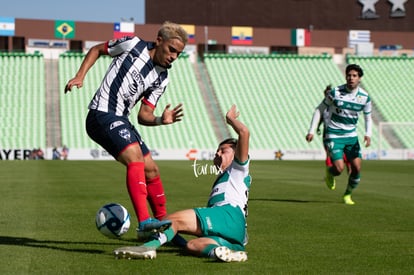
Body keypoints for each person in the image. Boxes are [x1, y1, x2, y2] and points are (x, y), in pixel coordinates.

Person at [64, 22, 188, 234]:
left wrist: (160, 120)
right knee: (135, 158)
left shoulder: (162, 77)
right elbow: (97, 49)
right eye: (171, 50)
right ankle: (144, 223)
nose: (174, 57)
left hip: (123, 119)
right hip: (100, 114)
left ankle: (165, 227)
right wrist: (80, 76)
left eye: (178, 54)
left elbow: (144, 116)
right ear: (159, 41)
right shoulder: (132, 44)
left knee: (152, 169)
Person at [114, 105, 251, 262]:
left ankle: (148, 247)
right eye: (216, 152)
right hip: (236, 232)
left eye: (223, 150)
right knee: (192, 245)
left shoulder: (238, 169)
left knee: (170, 220)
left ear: (236, 154)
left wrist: (231, 119)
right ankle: (225, 253)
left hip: (227, 215)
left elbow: (244, 133)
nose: (217, 154)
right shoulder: (229, 177)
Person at [306, 64, 372, 205]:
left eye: (354, 76)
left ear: (359, 78)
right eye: (349, 75)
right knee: (339, 168)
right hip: (334, 134)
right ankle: (330, 172)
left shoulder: (364, 97)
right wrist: (311, 130)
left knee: (357, 168)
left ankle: (347, 195)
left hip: (351, 137)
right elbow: (319, 109)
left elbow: (368, 117)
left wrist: (368, 133)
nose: (351, 78)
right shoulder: (335, 92)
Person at [316, 85, 351, 175]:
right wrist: (318, 127)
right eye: (326, 93)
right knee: (328, 153)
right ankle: (330, 172)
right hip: (326, 134)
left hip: (337, 133)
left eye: (329, 93)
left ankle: (348, 166)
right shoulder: (323, 107)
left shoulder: (337, 106)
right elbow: (320, 118)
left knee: (339, 152)